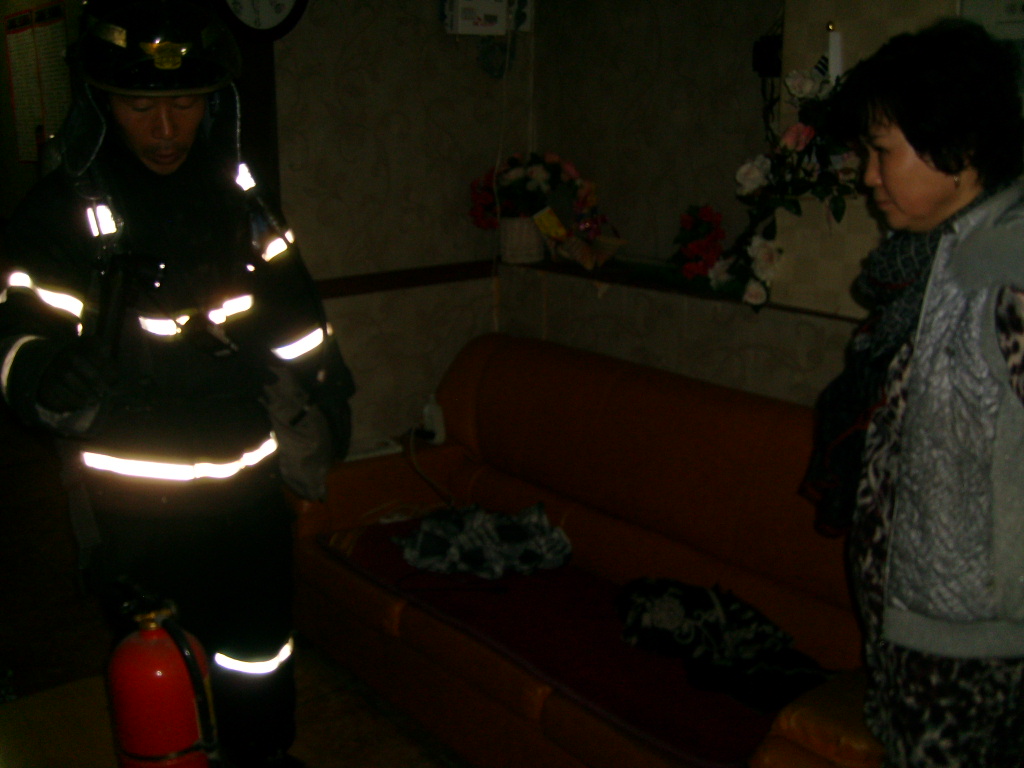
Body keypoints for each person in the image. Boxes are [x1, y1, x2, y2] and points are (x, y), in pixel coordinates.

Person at [0, 1, 354, 766]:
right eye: (140, 106)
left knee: (260, 661)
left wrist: (327, 395)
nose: (166, 130)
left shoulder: (241, 202)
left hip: (250, 499)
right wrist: (42, 372)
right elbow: (14, 333)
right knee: (164, 690)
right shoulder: (59, 215)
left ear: (213, 101)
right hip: (137, 515)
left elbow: (297, 317)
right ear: (101, 100)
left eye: (186, 102)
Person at [821, 18, 1024, 767]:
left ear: (959, 147)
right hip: (918, 634)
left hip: (975, 659)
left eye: (882, 151)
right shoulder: (940, 257)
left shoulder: (1009, 271)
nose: (868, 177)